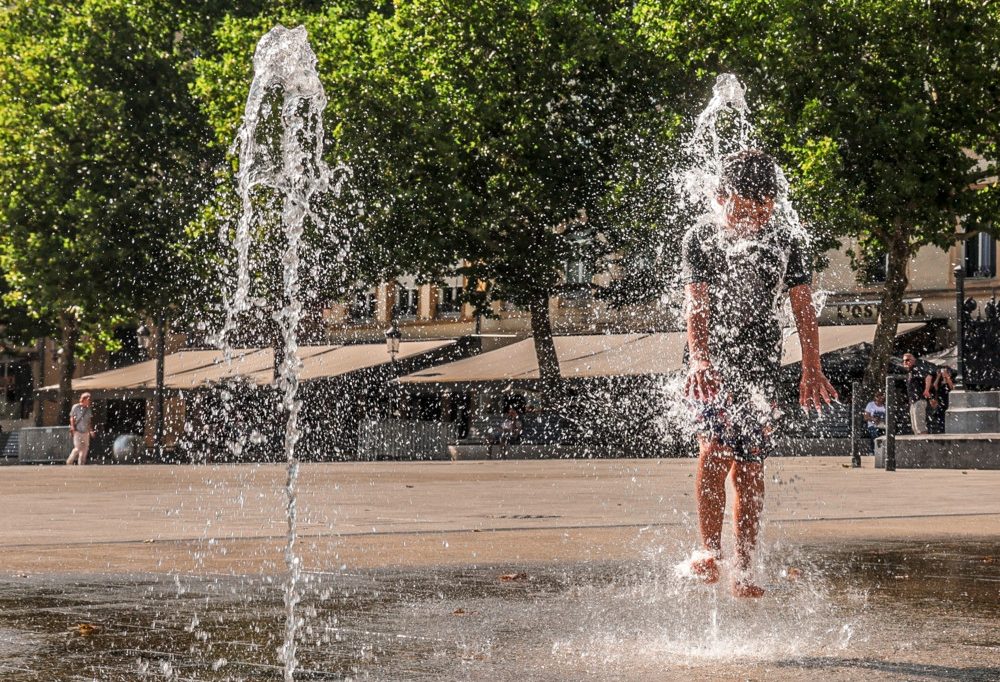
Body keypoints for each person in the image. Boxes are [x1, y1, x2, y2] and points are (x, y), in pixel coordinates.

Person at [681, 149, 837, 598]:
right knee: (714, 448)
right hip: (711, 359)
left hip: (761, 363)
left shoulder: (787, 240)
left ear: (773, 203)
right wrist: (700, 359)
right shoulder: (701, 237)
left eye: (763, 208)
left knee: (750, 466)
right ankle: (708, 552)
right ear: (720, 197)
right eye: (743, 208)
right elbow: (698, 302)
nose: (753, 218)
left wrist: (812, 366)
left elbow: (802, 306)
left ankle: (744, 569)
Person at [901, 353, 935, 435]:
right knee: (915, 427)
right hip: (913, 401)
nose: (905, 362)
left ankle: (924, 445)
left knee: (920, 426)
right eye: (904, 360)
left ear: (913, 361)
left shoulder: (916, 370)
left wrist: (926, 390)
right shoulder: (909, 373)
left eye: (907, 360)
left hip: (919, 400)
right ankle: (920, 444)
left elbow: (928, 377)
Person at [66, 392, 95, 465]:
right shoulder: (76, 407)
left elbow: (89, 421)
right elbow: (72, 417)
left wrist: (91, 430)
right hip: (77, 431)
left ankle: (81, 463)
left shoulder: (88, 409)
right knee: (78, 448)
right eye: (88, 399)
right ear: (84, 399)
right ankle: (69, 461)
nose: (89, 401)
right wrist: (72, 426)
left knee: (85, 449)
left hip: (85, 432)